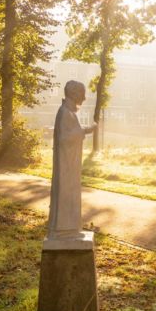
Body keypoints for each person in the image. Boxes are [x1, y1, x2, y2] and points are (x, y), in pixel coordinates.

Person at [47, 80, 97, 240]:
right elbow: (64, 138)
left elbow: (70, 134)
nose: (84, 97)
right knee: (66, 194)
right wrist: (86, 130)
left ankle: (69, 228)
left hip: (70, 165)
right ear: (74, 94)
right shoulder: (64, 113)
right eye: (82, 93)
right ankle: (64, 229)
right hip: (66, 167)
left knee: (70, 193)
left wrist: (83, 131)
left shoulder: (69, 113)